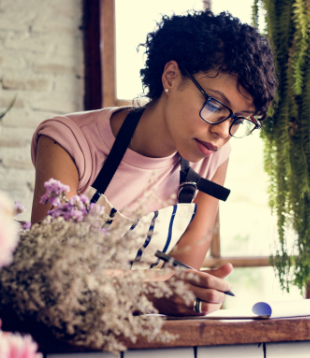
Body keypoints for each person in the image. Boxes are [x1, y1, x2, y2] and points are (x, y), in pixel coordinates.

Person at [30, 11, 276, 316]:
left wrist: (195, 291)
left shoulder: (214, 155)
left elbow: (182, 276)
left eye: (239, 120)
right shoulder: (66, 142)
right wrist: (148, 291)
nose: (224, 132)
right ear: (171, 76)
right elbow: (50, 275)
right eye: (215, 105)